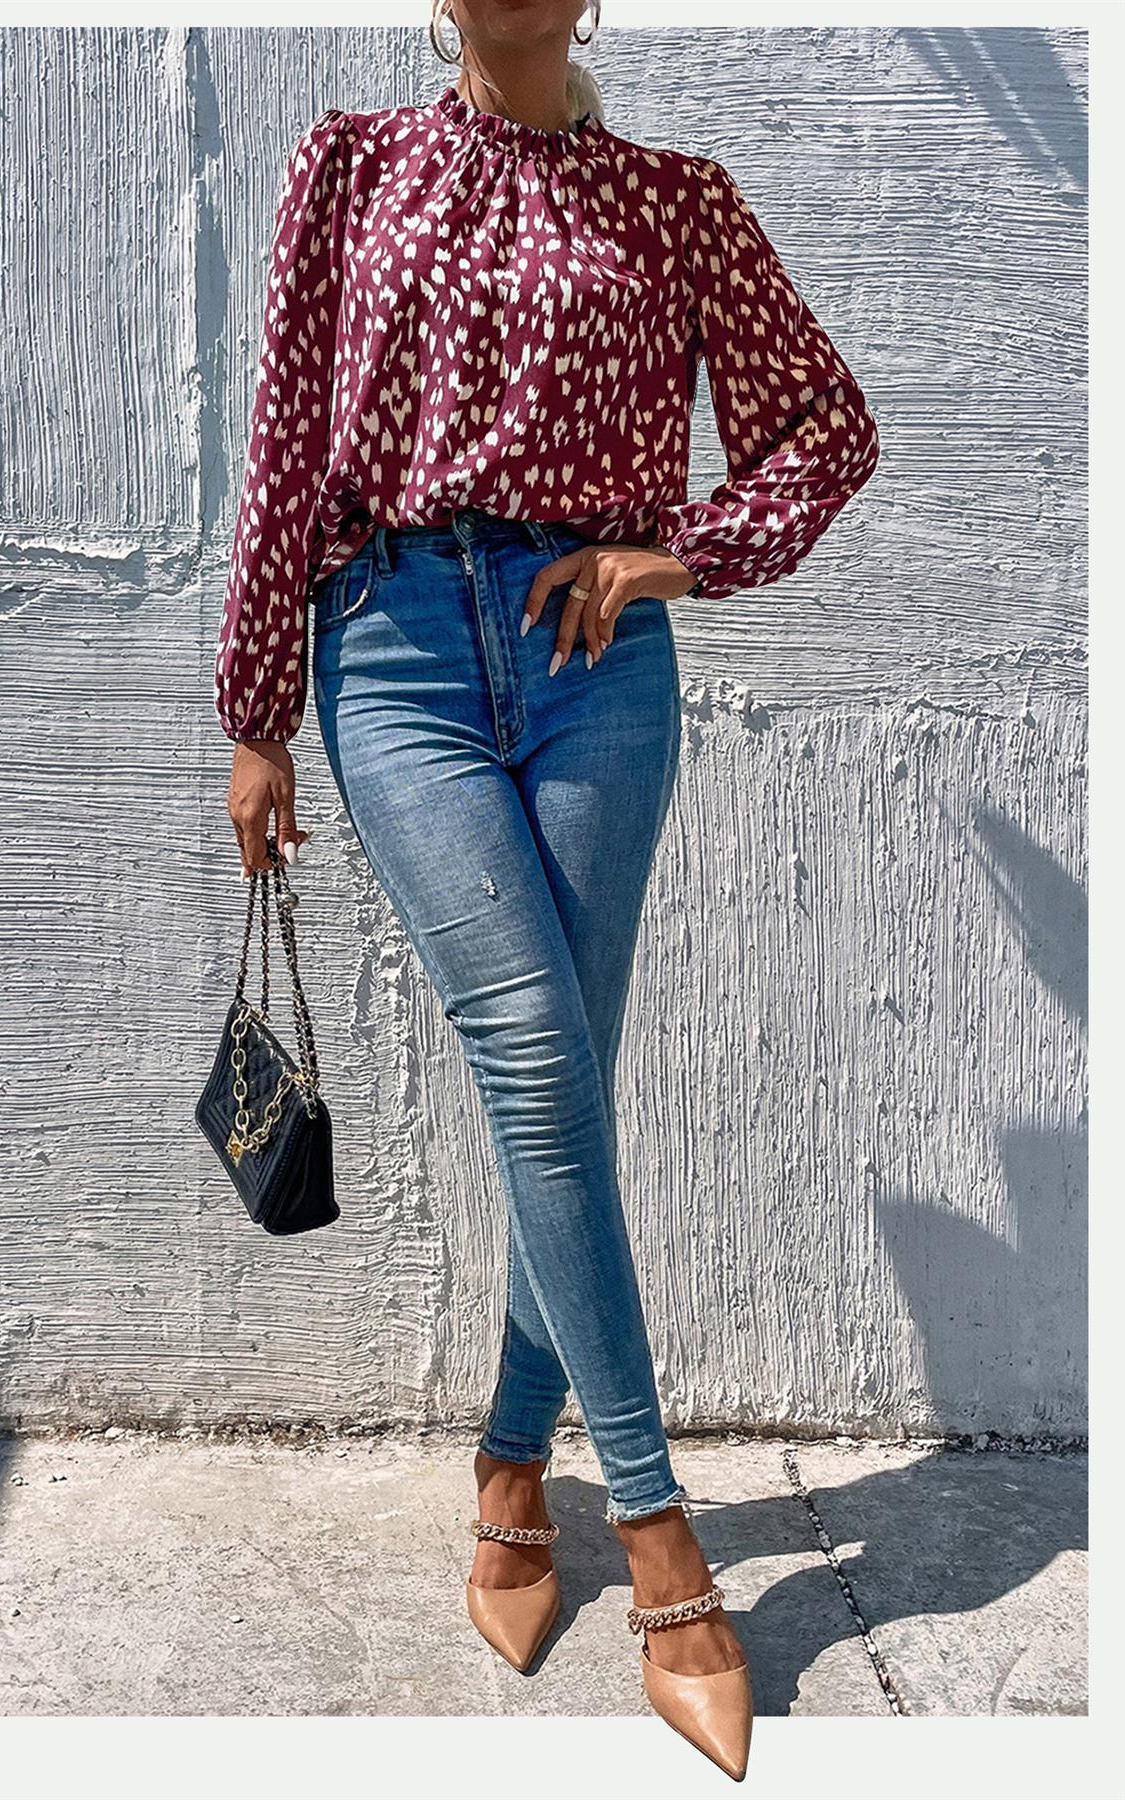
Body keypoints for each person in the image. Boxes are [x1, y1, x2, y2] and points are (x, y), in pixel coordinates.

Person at [216, 2, 879, 1776]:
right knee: (534, 1064)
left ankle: (513, 1463)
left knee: (563, 1083)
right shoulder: (351, 168)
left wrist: (684, 555)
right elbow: (284, 439)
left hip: (598, 669)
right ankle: (657, 1532)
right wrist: (256, 716)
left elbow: (826, 427)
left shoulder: (678, 198)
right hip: (396, 650)